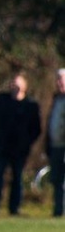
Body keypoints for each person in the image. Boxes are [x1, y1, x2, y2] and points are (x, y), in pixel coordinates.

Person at [0, 73, 41, 215]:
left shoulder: (30, 105)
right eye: (13, 84)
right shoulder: (1, 101)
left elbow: (36, 128)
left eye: (18, 84)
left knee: (18, 178)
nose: (14, 87)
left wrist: (26, 143)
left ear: (25, 87)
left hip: (20, 150)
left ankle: (15, 207)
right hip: (2, 147)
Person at [45, 68, 65, 217]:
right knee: (57, 180)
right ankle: (59, 210)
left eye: (62, 79)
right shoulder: (56, 99)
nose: (59, 82)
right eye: (57, 79)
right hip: (56, 146)